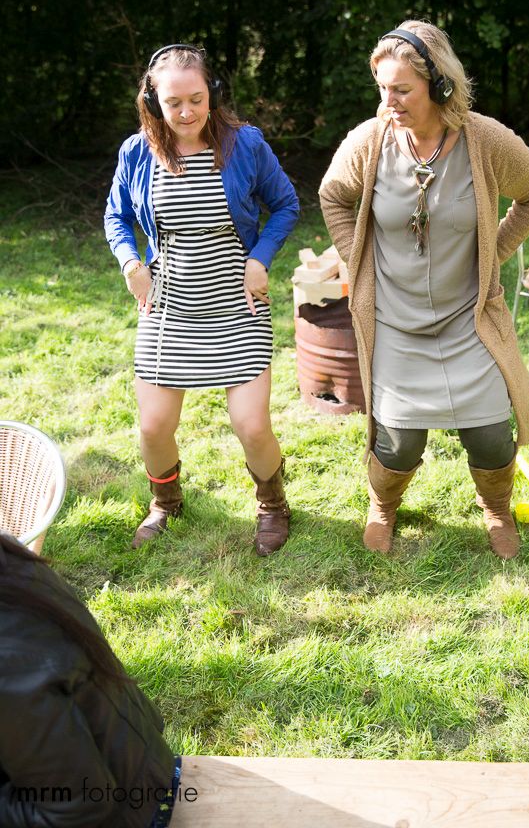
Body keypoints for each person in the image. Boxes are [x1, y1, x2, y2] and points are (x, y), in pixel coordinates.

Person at [319, 20, 529, 559]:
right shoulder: (370, 141)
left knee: (491, 432)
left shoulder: (485, 140)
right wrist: (356, 261)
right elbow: (333, 196)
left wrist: (493, 253)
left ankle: (497, 510)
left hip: (468, 319)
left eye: (402, 89)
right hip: (396, 321)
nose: (389, 101)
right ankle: (383, 507)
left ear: (440, 84)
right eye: (382, 88)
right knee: (399, 443)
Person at [105, 44, 299, 555]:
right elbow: (116, 216)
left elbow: (285, 204)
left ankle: (273, 505)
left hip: (238, 304)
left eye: (196, 99)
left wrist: (260, 257)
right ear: (155, 101)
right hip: (169, 307)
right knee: (153, 426)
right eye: (174, 102)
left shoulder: (244, 145)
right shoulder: (138, 152)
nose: (187, 112)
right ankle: (165, 503)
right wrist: (131, 264)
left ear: (211, 93)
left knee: (252, 425)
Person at [0, 532, 179, 827]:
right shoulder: (9, 558)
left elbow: (77, 809)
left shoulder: (8, 667)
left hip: (130, 810)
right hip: (141, 763)